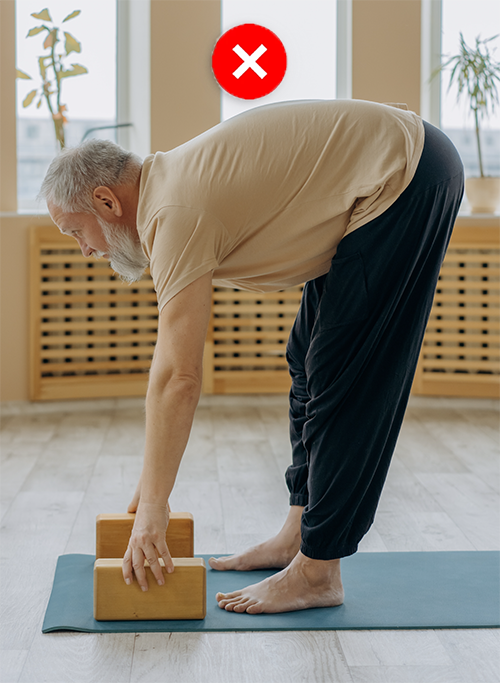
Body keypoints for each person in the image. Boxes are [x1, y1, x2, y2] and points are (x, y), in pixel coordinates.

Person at [40, 99, 464, 615]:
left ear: (107, 202)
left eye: (76, 232)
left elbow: (178, 376)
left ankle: (317, 572)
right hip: (386, 176)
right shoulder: (168, 191)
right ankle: (297, 533)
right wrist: (150, 491)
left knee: (343, 379)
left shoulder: (171, 211)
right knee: (308, 361)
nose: (85, 250)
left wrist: (154, 504)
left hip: (406, 176)